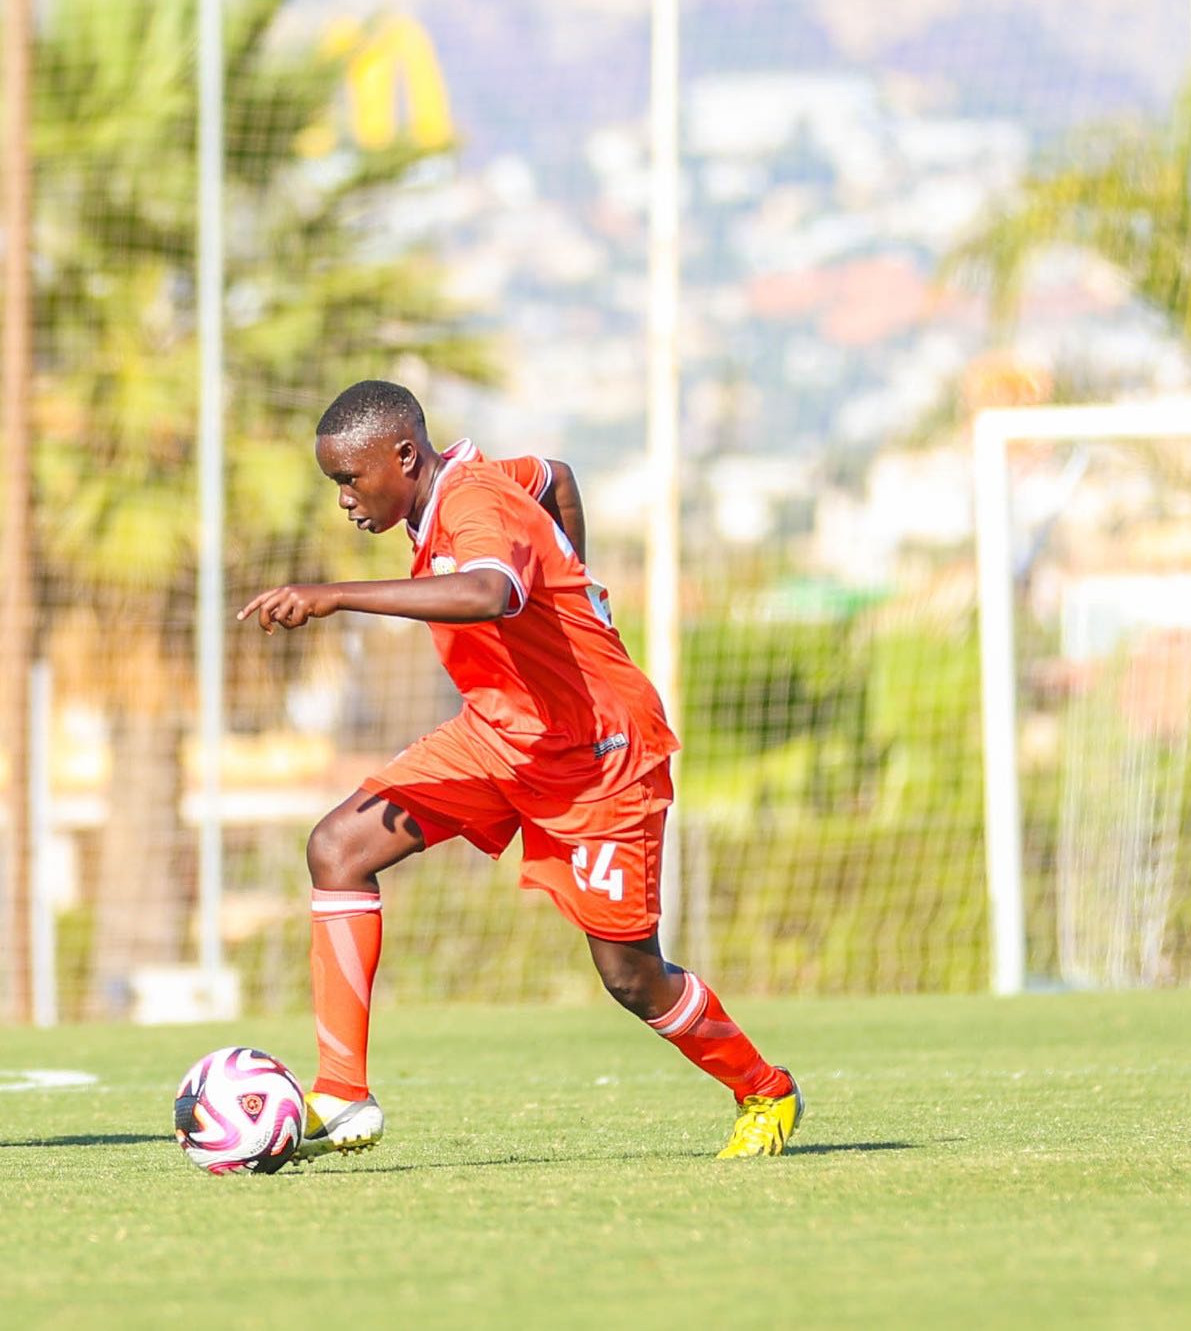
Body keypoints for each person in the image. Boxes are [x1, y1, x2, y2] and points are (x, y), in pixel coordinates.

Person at [238, 379, 801, 1161]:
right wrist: (578, 583)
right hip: (498, 737)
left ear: (404, 456)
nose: (343, 499)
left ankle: (764, 1089)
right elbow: (560, 476)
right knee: (338, 848)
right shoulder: (487, 480)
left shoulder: (475, 505)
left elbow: (488, 593)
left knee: (632, 978)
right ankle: (340, 1090)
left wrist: (333, 596)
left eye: (348, 479)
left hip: (599, 757)